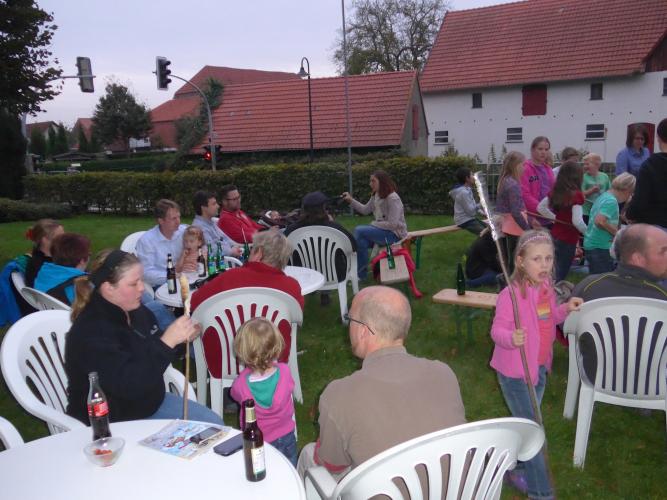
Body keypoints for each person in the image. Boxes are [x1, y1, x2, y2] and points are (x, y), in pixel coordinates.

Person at [297, 286, 466, 481]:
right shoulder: (444, 374)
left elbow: (331, 465)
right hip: (455, 488)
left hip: (384, 491)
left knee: (308, 454)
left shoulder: (339, 395)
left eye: (350, 319)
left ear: (362, 331)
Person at [64, 249, 223, 426]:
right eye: (134, 283)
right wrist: (168, 342)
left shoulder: (136, 311)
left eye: (141, 280)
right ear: (108, 288)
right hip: (111, 420)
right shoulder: (91, 332)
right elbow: (131, 385)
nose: (141, 288)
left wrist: (181, 340)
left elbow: (151, 348)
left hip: (148, 404)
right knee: (209, 431)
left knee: (215, 425)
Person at [490, 230, 582, 498]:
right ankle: (542, 493)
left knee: (527, 423)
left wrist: (565, 309)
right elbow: (497, 331)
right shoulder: (510, 295)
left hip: (539, 369)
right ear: (520, 261)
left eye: (548, 258)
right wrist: (511, 338)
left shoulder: (546, 289)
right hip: (516, 375)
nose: (544, 265)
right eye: (536, 259)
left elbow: (549, 318)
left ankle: (515, 468)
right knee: (534, 433)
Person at [191, 229, 303, 363]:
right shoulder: (292, 287)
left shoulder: (229, 278)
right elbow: (296, 320)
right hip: (273, 361)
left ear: (258, 253)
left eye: (252, 249)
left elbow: (194, 304)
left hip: (226, 361)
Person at [230, 318, 297, 466]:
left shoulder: (241, 384)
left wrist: (246, 373)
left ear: (242, 351)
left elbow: (234, 394)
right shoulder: (284, 372)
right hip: (286, 435)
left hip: (259, 441)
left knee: (262, 469)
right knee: (289, 467)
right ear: (276, 346)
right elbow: (290, 387)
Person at [284, 191, 357, 306]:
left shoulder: (292, 229)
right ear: (324, 208)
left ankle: (313, 290)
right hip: (334, 274)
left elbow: (282, 248)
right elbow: (353, 246)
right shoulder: (335, 228)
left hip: (301, 274)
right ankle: (325, 293)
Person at [342, 170, 408, 280]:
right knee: (361, 241)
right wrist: (351, 200)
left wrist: (374, 224)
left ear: (382, 182)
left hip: (395, 235)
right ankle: (360, 275)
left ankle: (353, 266)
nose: (370, 184)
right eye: (370, 181)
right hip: (383, 232)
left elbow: (393, 225)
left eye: (373, 181)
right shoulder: (376, 195)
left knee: (359, 230)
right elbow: (365, 210)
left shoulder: (393, 198)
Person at [537, 161, 587, 282]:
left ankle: (543, 289)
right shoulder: (577, 195)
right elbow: (577, 221)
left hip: (554, 235)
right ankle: (553, 291)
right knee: (560, 273)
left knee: (551, 269)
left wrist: (556, 219)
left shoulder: (556, 191)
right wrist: (589, 233)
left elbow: (540, 208)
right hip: (568, 240)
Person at [583, 173, 636, 274]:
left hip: (592, 244)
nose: (630, 196)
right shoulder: (611, 201)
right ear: (627, 190)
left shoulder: (605, 196)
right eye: (631, 193)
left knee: (596, 278)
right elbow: (600, 221)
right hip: (600, 247)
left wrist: (620, 217)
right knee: (602, 279)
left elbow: (604, 216)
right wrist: (618, 233)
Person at [496, 151, 535, 272]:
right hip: (516, 227)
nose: (524, 168)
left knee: (513, 260)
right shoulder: (513, 185)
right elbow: (516, 212)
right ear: (515, 166)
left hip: (510, 225)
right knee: (516, 262)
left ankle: (509, 280)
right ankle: (511, 282)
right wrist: (527, 230)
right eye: (523, 165)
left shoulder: (506, 180)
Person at [626, 118, 667, 229]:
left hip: (656, 226)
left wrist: (629, 213)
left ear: (658, 137)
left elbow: (640, 200)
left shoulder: (651, 164)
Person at [136, 199, 187, 288]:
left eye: (179, 217)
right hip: (162, 284)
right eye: (173, 218)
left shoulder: (184, 231)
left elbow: (201, 241)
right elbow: (146, 273)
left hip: (185, 276)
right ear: (161, 221)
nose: (178, 221)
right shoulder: (147, 241)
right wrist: (173, 275)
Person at [34, 232, 90, 304]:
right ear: (82, 260)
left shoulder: (45, 271)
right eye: (89, 254)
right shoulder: (81, 284)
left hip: (44, 309)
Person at [191, 190, 242, 256]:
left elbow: (227, 240)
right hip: (223, 261)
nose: (218, 206)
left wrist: (244, 246)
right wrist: (231, 251)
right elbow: (211, 250)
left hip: (231, 256)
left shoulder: (211, 222)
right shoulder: (199, 228)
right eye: (214, 204)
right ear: (203, 208)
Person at [521, 136, 555, 227]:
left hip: (549, 217)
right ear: (532, 150)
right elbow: (524, 194)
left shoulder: (548, 169)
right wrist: (542, 210)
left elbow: (554, 190)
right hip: (533, 219)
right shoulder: (525, 168)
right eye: (540, 149)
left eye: (546, 149)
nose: (543, 152)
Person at [24, 219, 64, 287]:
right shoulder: (43, 266)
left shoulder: (51, 257)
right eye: (60, 237)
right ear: (44, 239)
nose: (65, 239)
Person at [449, 166, 485, 235]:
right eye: (471, 175)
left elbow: (472, 205)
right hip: (464, 221)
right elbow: (471, 212)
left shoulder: (467, 189)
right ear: (467, 178)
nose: (474, 177)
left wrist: (481, 212)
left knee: (490, 229)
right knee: (487, 234)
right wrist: (481, 203)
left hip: (470, 219)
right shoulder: (463, 193)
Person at [581, 153, 611, 225]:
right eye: (584, 164)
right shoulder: (583, 177)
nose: (585, 166)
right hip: (587, 211)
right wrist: (591, 191)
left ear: (597, 164)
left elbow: (609, 191)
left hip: (600, 210)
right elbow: (580, 194)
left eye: (587, 164)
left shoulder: (604, 176)